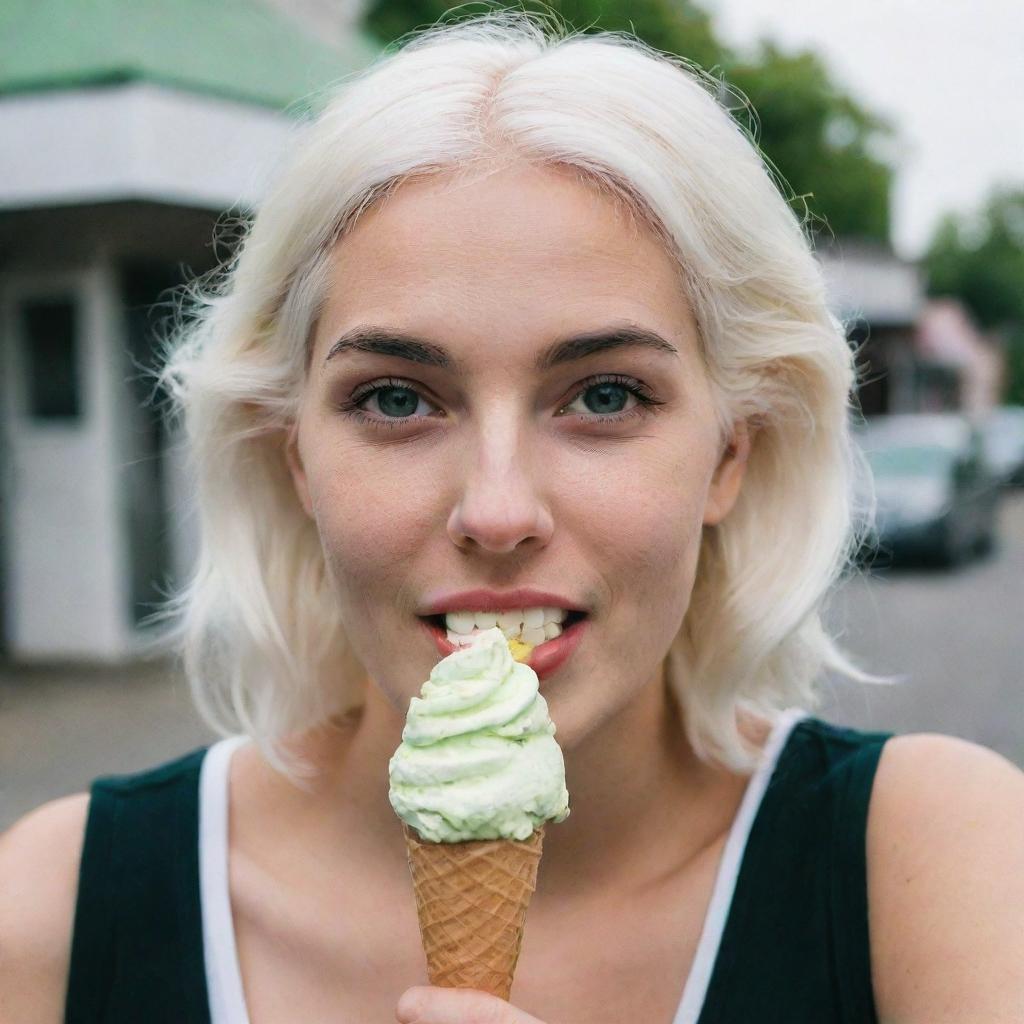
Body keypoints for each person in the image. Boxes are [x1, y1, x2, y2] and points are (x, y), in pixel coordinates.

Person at [2, 12, 1023, 1024]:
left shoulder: (941, 870)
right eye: (396, 399)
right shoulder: (50, 913)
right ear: (294, 454)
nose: (496, 512)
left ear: (729, 451)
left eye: (606, 396)